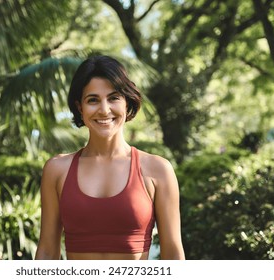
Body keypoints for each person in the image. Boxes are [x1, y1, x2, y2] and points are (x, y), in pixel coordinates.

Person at [35, 55, 185, 260]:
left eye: (114, 98)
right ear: (80, 107)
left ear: (126, 103)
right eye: (93, 100)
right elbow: (46, 252)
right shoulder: (57, 170)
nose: (104, 110)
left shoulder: (157, 170)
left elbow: (174, 255)